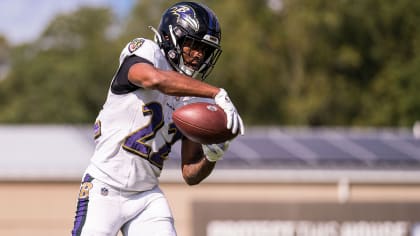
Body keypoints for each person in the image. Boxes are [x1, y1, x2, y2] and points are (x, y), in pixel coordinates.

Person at [71, 1, 244, 236]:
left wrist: (212, 156)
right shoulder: (145, 50)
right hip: (104, 186)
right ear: (173, 37)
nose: (198, 55)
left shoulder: (194, 98)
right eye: (192, 45)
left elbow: (190, 174)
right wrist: (215, 92)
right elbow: (153, 79)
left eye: (204, 50)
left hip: (146, 196)